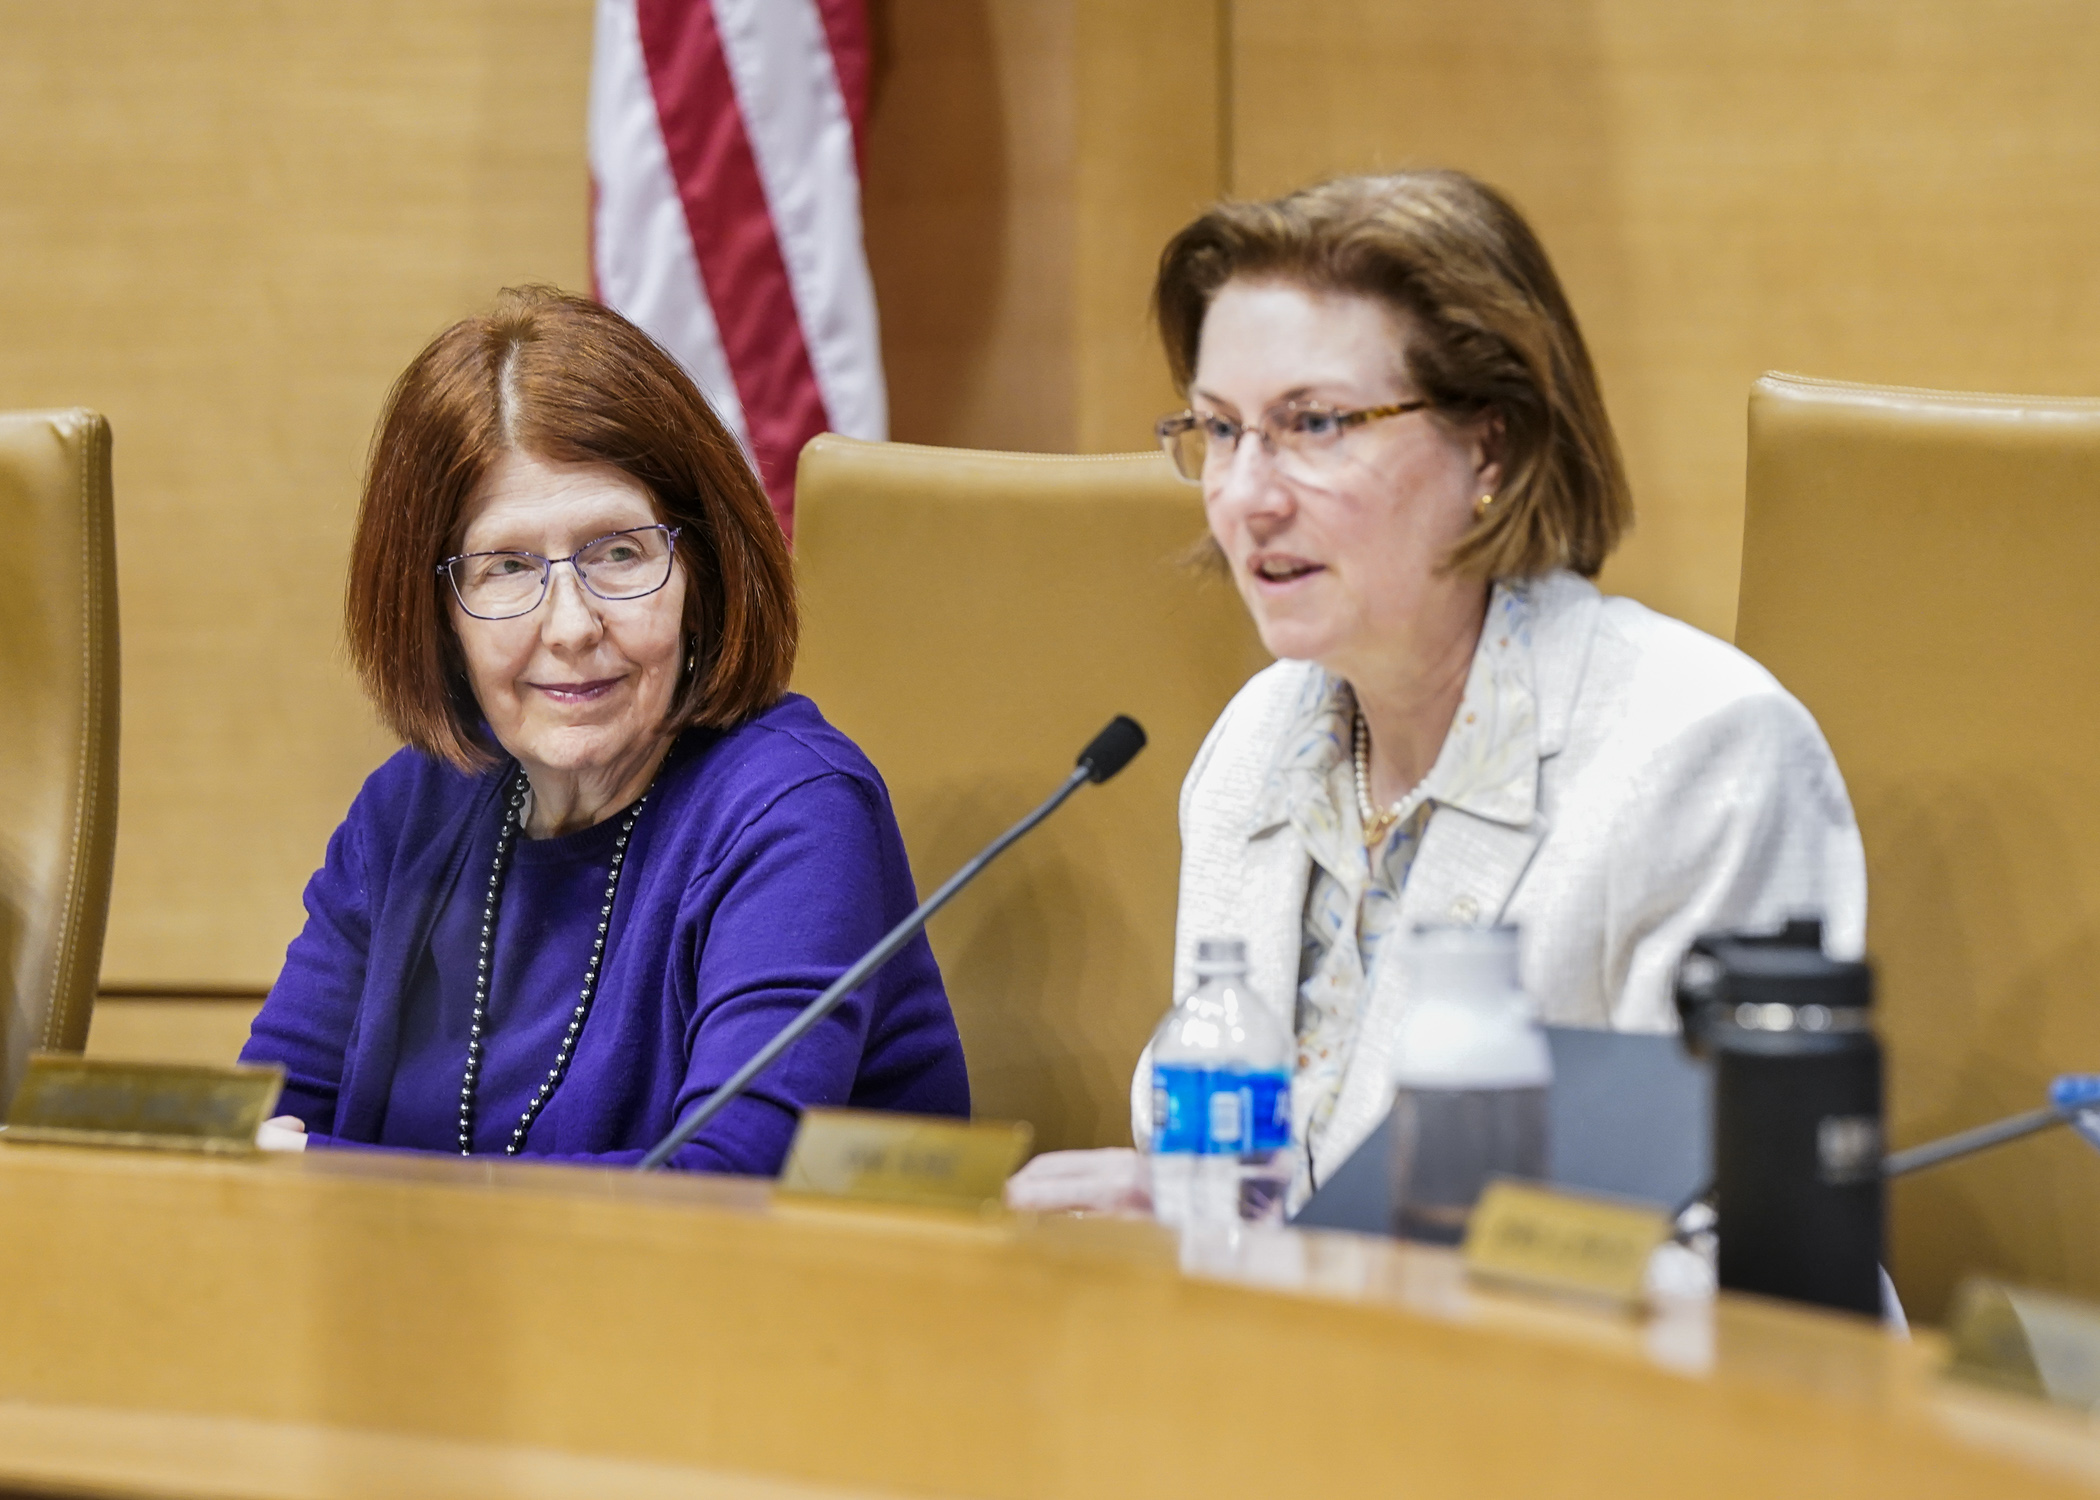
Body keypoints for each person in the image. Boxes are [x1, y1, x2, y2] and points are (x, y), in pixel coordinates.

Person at [1008, 171, 1864, 1215]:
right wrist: (1188, 1209)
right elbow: (1251, 1175)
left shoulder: (1702, 752)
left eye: (1315, 424)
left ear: (1489, 442)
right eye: (1221, 430)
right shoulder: (1255, 746)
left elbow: (1747, 1249)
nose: (1246, 497)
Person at [242, 287, 969, 1170]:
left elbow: (723, 1187)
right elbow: (256, 1135)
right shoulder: (409, 813)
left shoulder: (795, 811)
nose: (573, 626)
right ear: (436, 612)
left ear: (698, 568)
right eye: (507, 567)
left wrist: (337, 1173)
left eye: (619, 553)